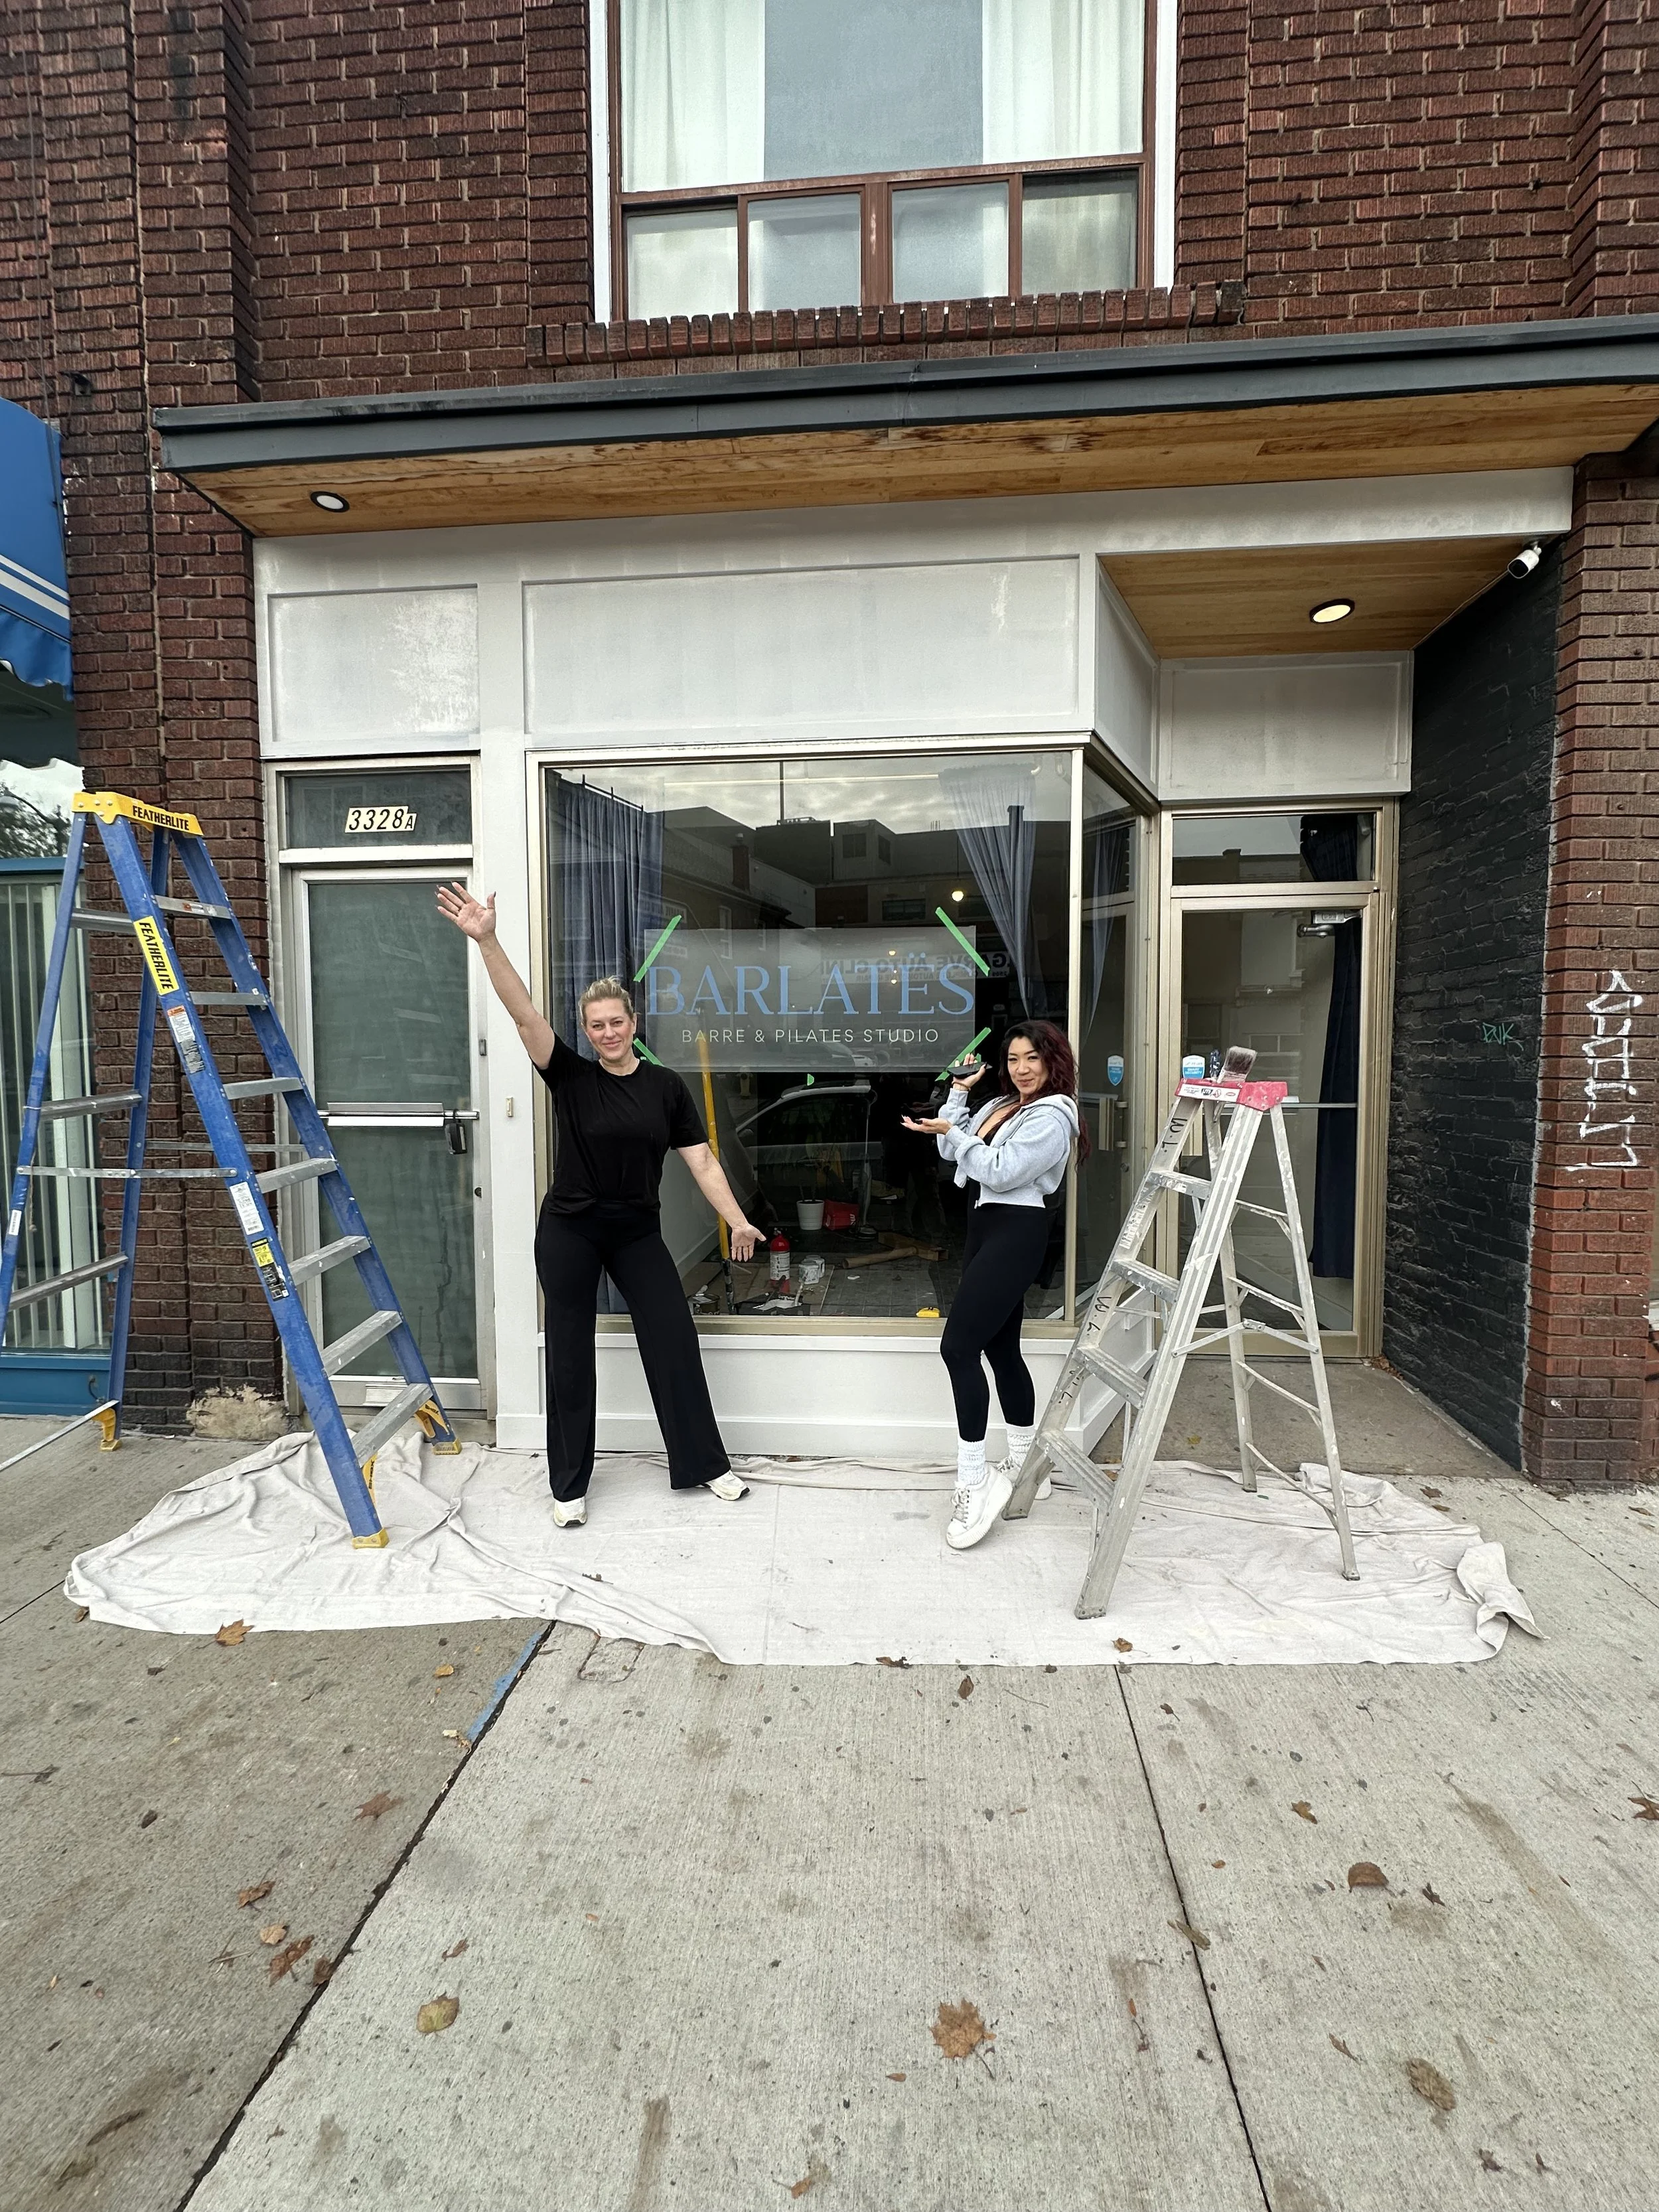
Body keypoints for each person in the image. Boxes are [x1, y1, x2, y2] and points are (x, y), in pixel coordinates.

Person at [437, 884, 760, 1524]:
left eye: (618, 1021)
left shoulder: (666, 1088)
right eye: (597, 1025)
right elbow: (524, 1012)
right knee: (569, 1350)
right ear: (587, 1032)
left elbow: (701, 1160)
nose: (609, 1032)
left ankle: (705, 1464)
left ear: (634, 1024)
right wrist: (488, 939)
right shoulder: (571, 1076)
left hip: (637, 1231)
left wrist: (738, 1219)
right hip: (571, 1231)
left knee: (673, 1339)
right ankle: (569, 1486)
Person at [902, 1022, 1086, 1552]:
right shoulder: (1004, 1103)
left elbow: (1000, 1170)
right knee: (1002, 1348)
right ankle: (1029, 1465)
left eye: (1032, 1058)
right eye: (1013, 1059)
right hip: (986, 1225)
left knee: (958, 1347)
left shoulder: (1054, 1115)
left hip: (1017, 1228)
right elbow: (951, 1153)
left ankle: (975, 1481)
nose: (1021, 1068)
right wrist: (961, 1091)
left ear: (1054, 1061)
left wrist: (955, 1137)